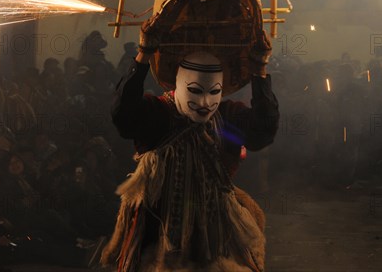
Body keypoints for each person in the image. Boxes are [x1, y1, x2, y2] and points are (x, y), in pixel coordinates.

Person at [101, 16, 279, 271]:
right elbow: (123, 116)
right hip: (157, 231)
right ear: (178, 84)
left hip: (217, 232)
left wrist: (260, 72)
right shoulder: (157, 114)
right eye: (195, 90)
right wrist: (143, 56)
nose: (206, 102)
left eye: (214, 92)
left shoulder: (227, 119)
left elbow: (263, 132)